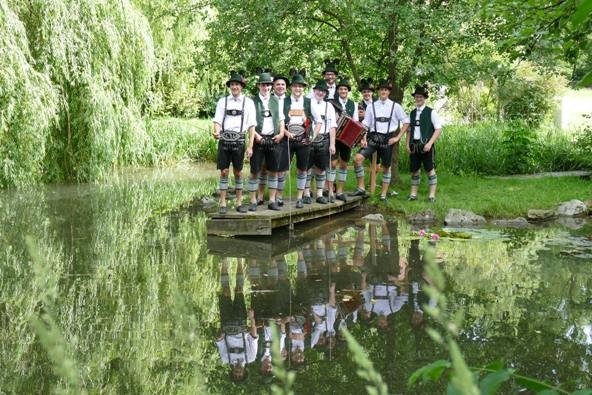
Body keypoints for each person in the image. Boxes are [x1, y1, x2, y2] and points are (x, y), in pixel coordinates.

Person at [351, 79, 409, 201]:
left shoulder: (396, 106)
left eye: (385, 90)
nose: (383, 91)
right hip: (373, 138)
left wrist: (397, 138)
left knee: (386, 168)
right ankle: (361, 188)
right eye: (381, 89)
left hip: (388, 139)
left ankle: (383, 195)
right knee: (357, 159)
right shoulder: (372, 106)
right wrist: (364, 138)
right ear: (378, 91)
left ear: (389, 92)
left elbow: (406, 122)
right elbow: (366, 124)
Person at [213, 71, 256, 214]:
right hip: (224, 141)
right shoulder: (222, 101)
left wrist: (250, 146)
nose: (234, 87)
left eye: (237, 84)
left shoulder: (248, 103)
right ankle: (223, 203)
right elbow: (217, 121)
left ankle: (239, 203)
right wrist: (216, 131)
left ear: (241, 86)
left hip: (239, 141)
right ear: (230, 86)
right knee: (224, 172)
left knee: (238, 172)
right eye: (232, 84)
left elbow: (251, 126)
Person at [215, 258, 258, 382]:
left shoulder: (225, 358)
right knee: (239, 290)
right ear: (244, 372)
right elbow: (254, 336)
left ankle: (224, 262)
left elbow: (220, 341)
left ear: (232, 373)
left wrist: (220, 335)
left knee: (225, 291)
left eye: (236, 375)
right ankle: (240, 261)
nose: (238, 373)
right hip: (241, 323)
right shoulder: (250, 357)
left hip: (227, 323)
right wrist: (252, 319)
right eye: (240, 375)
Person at [247, 72, 285, 211]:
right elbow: (249, 123)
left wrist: (281, 133)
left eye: (268, 85)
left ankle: (272, 200)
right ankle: (253, 200)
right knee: (255, 171)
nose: (266, 87)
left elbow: (281, 119)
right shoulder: (252, 101)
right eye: (264, 85)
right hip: (258, 138)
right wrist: (257, 136)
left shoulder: (277, 100)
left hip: (274, 139)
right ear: (259, 86)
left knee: (273, 171)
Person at [282, 73, 318, 208]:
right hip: (287, 139)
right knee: (283, 169)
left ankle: (299, 198)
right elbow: (279, 121)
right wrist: (285, 132)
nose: (298, 89)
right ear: (291, 87)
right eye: (296, 86)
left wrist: (311, 136)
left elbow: (318, 121)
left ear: (303, 88)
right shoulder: (284, 101)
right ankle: (279, 198)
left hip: (303, 140)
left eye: (300, 86)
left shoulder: (309, 102)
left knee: (302, 169)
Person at [406, 85, 443, 202]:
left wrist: (430, 143)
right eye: (417, 96)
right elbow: (409, 130)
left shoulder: (431, 112)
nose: (418, 98)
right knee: (415, 170)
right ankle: (413, 195)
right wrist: (407, 144)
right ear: (415, 98)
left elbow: (438, 129)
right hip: (414, 146)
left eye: (420, 96)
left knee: (430, 169)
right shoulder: (411, 113)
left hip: (426, 146)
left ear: (424, 98)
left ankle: (432, 196)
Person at [304, 80, 336, 205]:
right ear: (314, 91)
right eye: (318, 90)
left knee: (321, 168)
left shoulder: (329, 106)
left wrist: (332, 144)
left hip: (324, 138)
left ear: (325, 93)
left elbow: (333, 126)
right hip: (309, 138)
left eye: (323, 91)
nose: (320, 93)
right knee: (307, 167)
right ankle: (306, 193)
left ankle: (319, 194)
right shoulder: (308, 103)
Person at [327, 77, 358, 202]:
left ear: (348, 90)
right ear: (338, 90)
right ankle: (330, 191)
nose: (343, 91)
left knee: (344, 165)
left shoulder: (354, 104)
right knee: (332, 164)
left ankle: (340, 191)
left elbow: (356, 122)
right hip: (335, 137)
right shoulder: (331, 103)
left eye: (345, 89)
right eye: (341, 89)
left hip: (347, 138)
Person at [272, 73, 291, 207]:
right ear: (273, 86)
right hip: (271, 137)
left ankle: (279, 196)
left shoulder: (290, 101)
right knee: (270, 168)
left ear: (286, 87)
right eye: (277, 84)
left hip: (286, 138)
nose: (280, 86)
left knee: (282, 169)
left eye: (283, 84)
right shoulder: (269, 100)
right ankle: (262, 197)